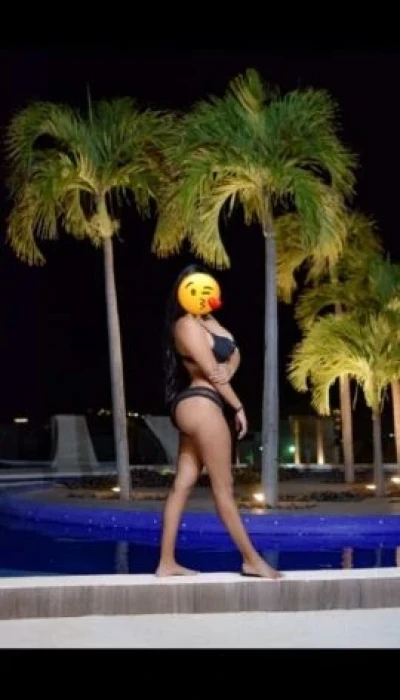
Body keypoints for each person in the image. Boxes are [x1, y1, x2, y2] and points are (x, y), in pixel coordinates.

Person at [155, 264, 281, 579]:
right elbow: (212, 371)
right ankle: (251, 560)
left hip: (199, 405)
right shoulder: (186, 324)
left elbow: (233, 354)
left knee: (182, 484)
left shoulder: (208, 321)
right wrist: (238, 406)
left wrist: (230, 368)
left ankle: (166, 563)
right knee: (224, 489)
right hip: (201, 402)